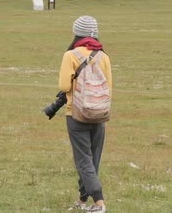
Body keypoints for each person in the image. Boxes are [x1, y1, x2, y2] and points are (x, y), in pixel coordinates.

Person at [58, 15, 112, 213]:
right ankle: (82, 200)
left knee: (83, 159)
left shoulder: (71, 55)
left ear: (76, 33)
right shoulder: (103, 56)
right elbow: (109, 86)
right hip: (100, 113)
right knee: (93, 159)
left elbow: (64, 86)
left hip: (77, 114)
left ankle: (99, 203)